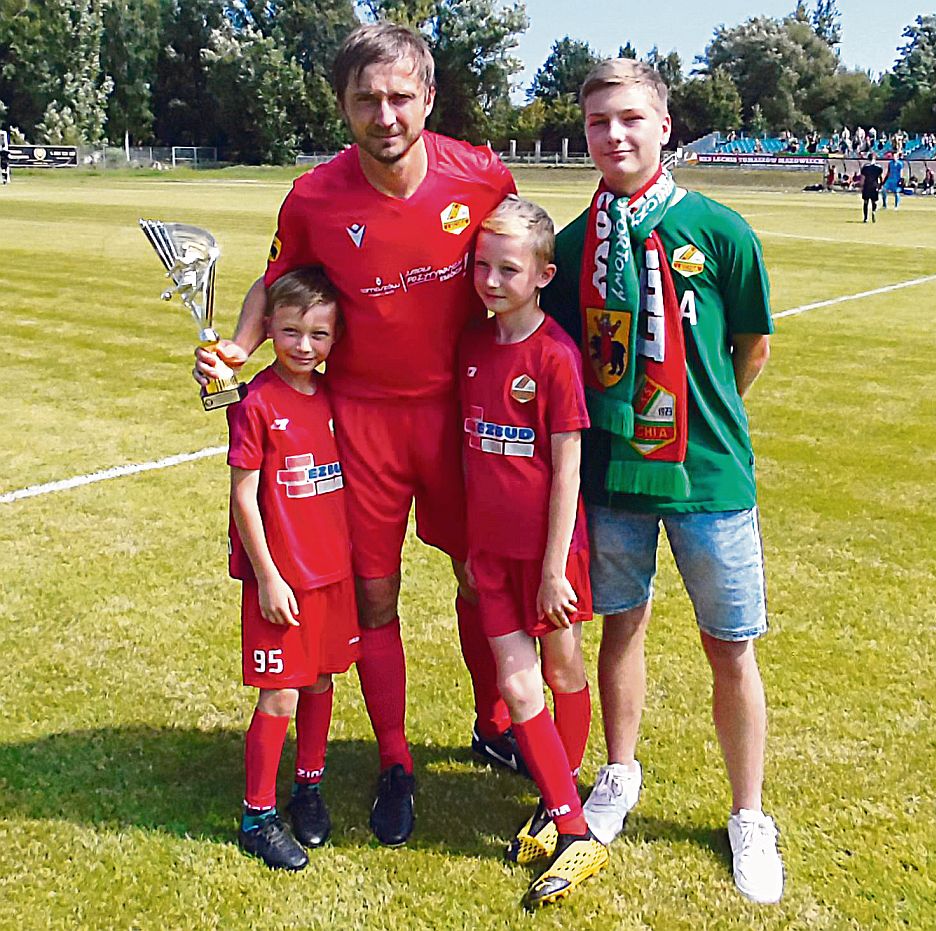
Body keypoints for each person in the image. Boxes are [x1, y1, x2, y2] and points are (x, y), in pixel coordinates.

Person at [196, 22, 524, 849]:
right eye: (366, 99)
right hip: (362, 427)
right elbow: (276, 282)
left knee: (482, 580)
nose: (385, 115)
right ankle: (394, 758)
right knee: (375, 597)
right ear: (342, 104)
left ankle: (494, 724)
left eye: (400, 97)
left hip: (460, 417)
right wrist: (239, 348)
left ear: (430, 98)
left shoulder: (482, 177)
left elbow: (519, 276)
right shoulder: (314, 196)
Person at [542, 58, 784, 905]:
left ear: (664, 127)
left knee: (731, 646)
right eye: (598, 121)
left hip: (708, 477)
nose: (614, 134)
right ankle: (618, 772)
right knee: (622, 627)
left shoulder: (719, 229)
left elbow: (751, 347)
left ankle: (748, 814)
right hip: (613, 476)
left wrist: (699, 418)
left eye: (630, 118)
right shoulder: (571, 245)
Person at [459, 195, 608, 907]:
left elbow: (567, 468)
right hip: (490, 555)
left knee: (562, 667)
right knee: (519, 689)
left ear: (544, 274)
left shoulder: (554, 356)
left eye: (508, 269)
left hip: (549, 556)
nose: (491, 281)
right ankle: (573, 827)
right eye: (481, 266)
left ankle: (560, 796)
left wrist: (554, 569)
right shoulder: (471, 347)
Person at [228, 267, 360, 871]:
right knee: (279, 694)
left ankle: (309, 786)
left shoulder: (332, 395)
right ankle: (257, 815)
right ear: (268, 328)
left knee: (320, 681)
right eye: (289, 332)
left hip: (331, 575)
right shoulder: (256, 402)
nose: (304, 346)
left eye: (319, 334)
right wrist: (268, 577)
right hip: (282, 581)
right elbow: (244, 496)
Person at [860, 153, 883, 223]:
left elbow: (863, 178)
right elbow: (880, 177)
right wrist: (880, 185)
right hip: (874, 186)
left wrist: (861, 186)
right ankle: (873, 212)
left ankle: (866, 218)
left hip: (867, 185)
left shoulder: (865, 167)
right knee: (874, 201)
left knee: (865, 202)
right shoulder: (878, 167)